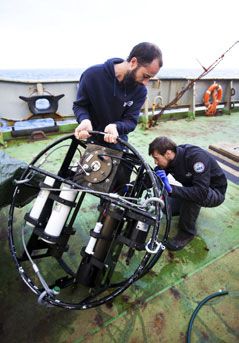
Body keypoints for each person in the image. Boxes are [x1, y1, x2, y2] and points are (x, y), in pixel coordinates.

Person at [73, 42, 163, 150]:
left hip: (118, 140)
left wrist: (115, 126)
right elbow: (80, 105)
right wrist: (84, 120)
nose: (145, 83)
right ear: (133, 62)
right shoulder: (92, 75)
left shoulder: (140, 90)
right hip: (92, 139)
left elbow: (131, 121)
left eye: (150, 78)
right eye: (145, 76)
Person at [148, 136, 227, 251]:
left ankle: (187, 233)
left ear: (168, 153)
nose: (155, 162)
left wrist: (171, 190)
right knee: (166, 207)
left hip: (214, 191)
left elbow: (200, 193)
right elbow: (154, 175)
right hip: (195, 188)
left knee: (193, 196)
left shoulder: (196, 158)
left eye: (156, 158)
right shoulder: (170, 160)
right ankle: (186, 211)